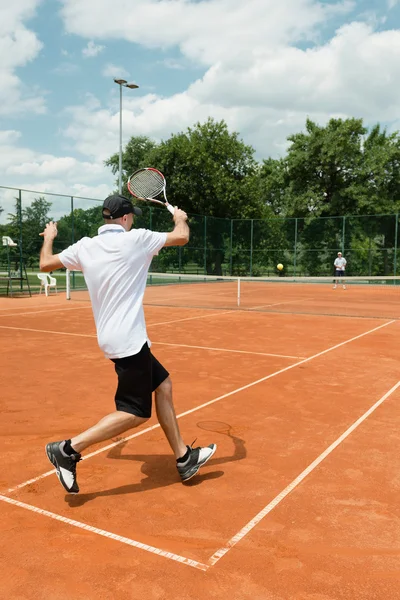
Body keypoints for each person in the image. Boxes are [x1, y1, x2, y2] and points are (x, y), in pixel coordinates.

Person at [39, 194, 216, 494]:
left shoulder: (86, 246)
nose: (132, 219)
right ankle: (68, 450)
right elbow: (182, 237)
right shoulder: (137, 240)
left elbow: (45, 263)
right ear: (124, 218)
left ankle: (184, 458)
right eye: (131, 215)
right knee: (135, 412)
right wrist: (180, 218)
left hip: (113, 338)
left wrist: (50, 237)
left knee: (164, 385)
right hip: (129, 342)